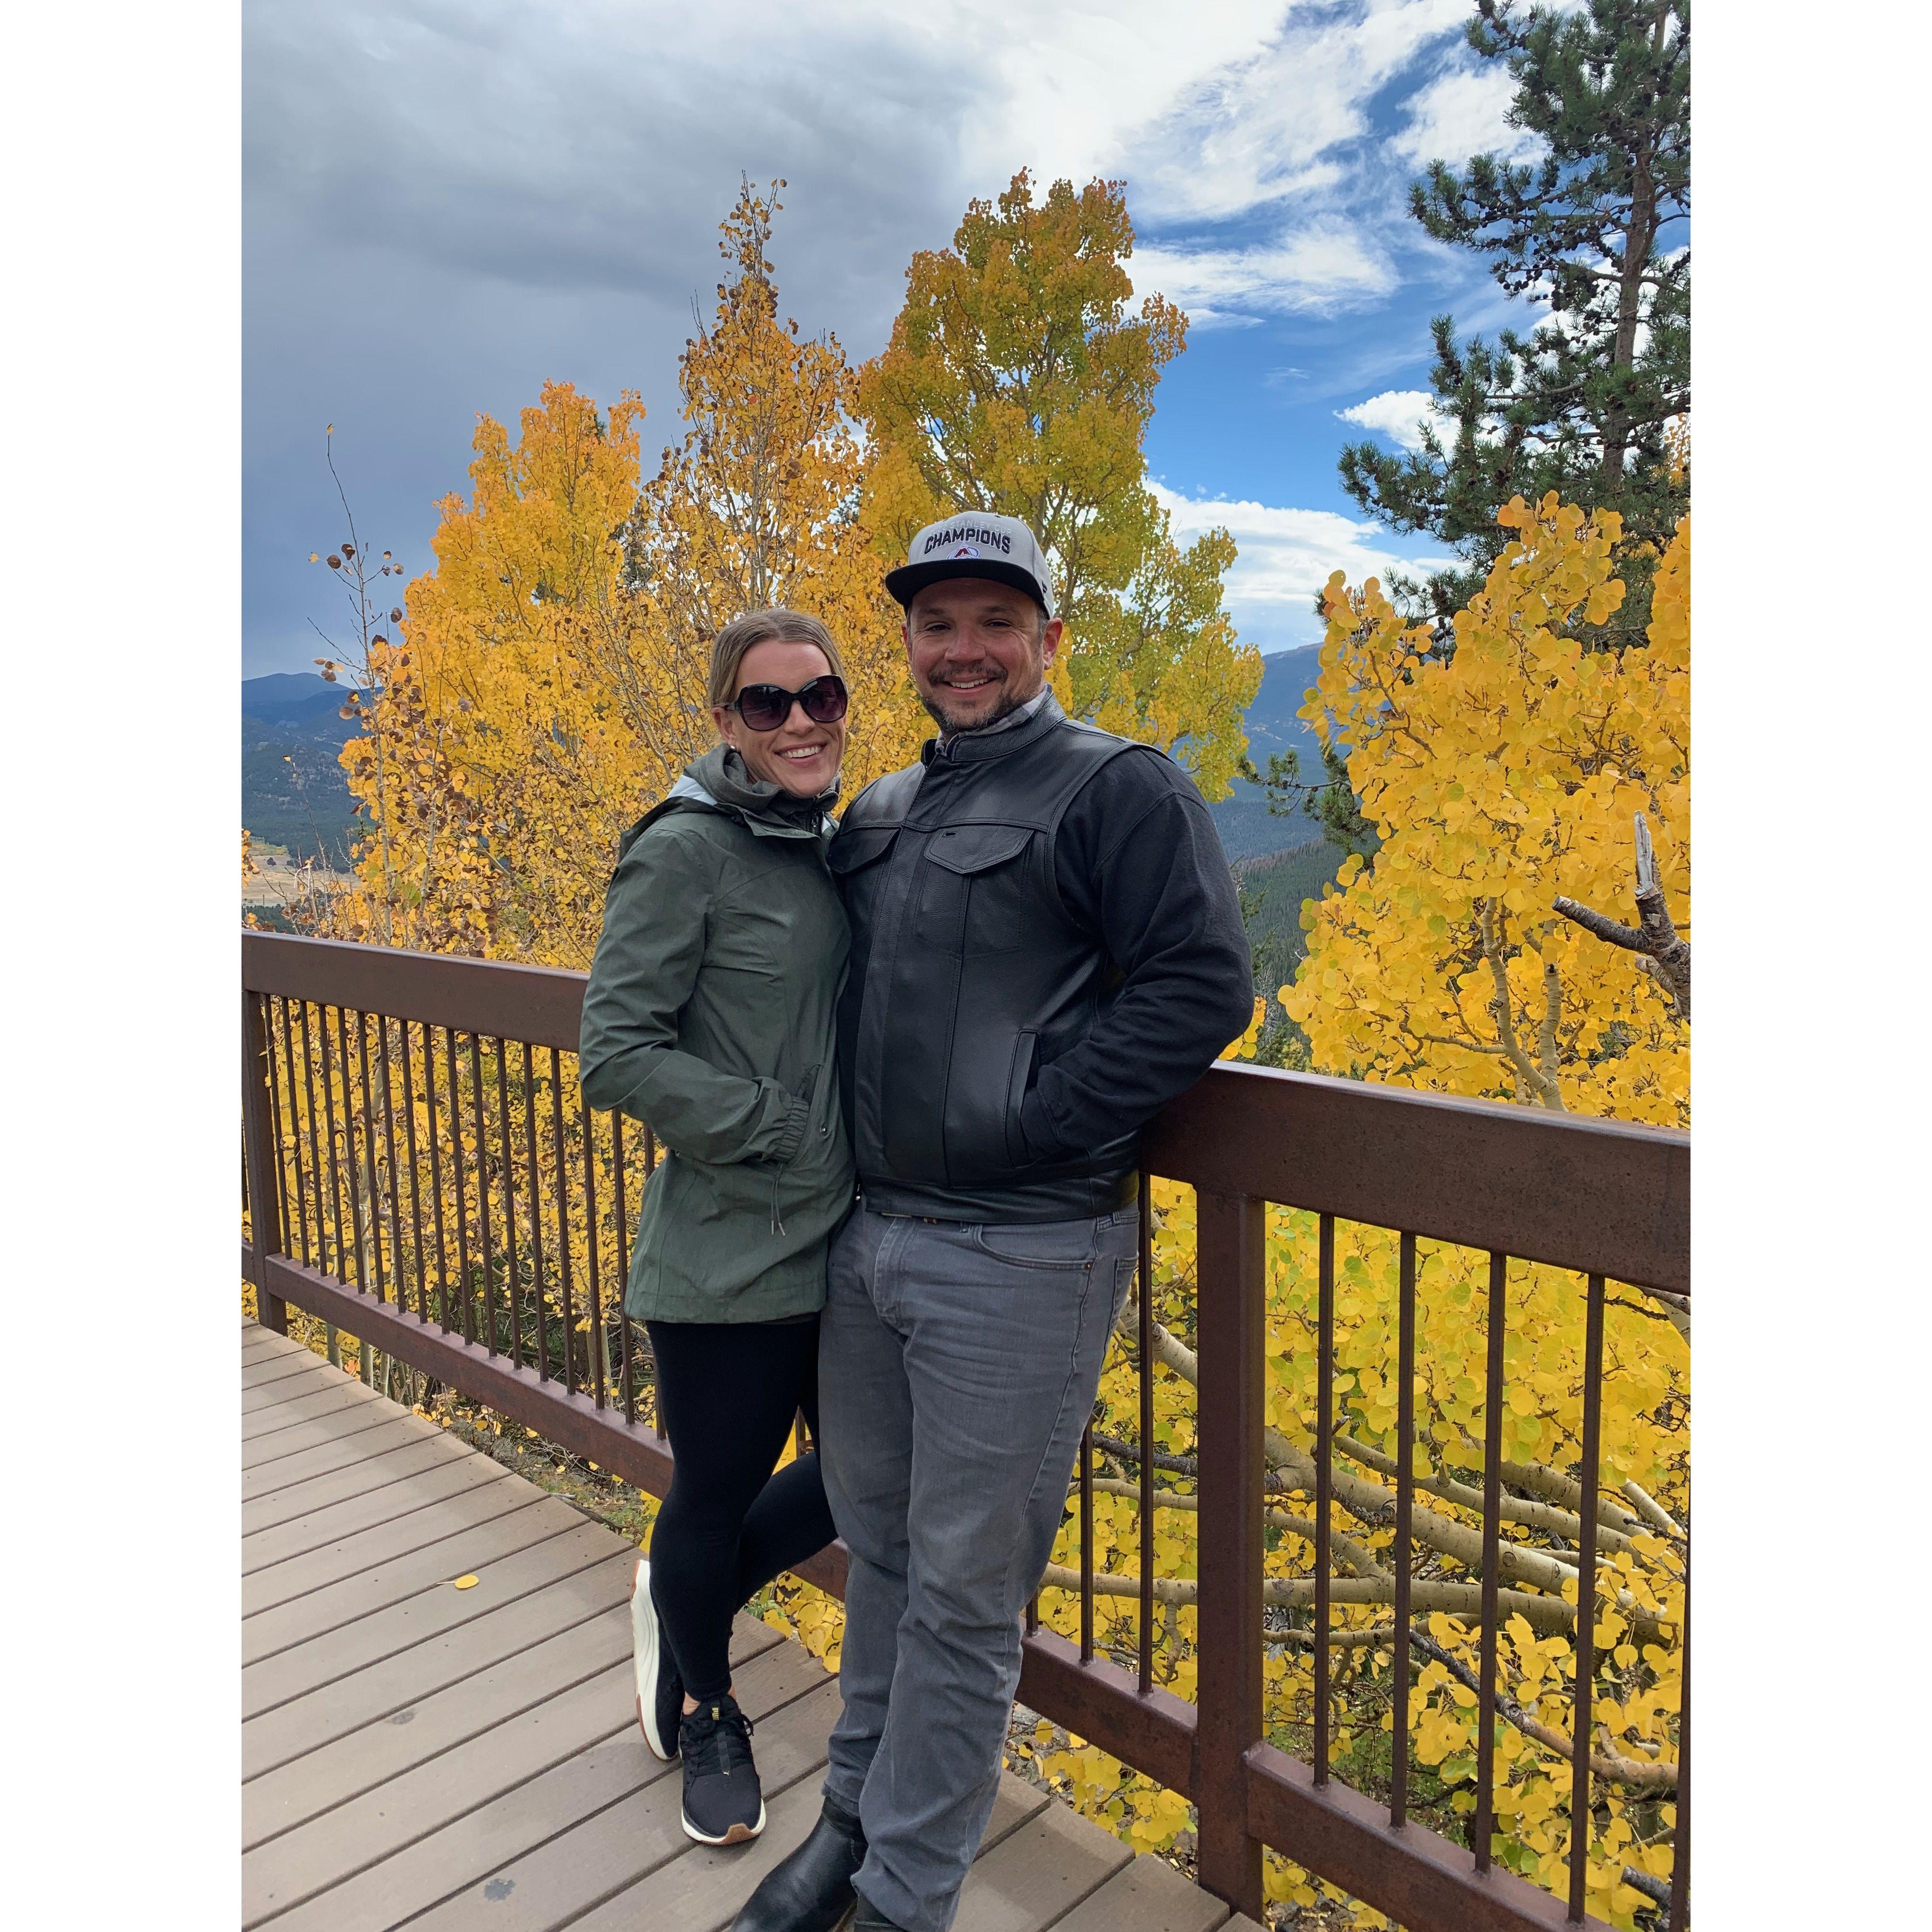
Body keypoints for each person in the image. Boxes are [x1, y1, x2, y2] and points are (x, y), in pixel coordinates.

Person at [732, 516, 1254, 1932]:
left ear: (1046, 636)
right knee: (882, 1557)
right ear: (905, 643)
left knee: (966, 1595)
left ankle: (906, 1892)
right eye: (935, 623)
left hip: (1022, 1252)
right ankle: (849, 1822)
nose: (962, 649)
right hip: (871, 1245)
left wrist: (1038, 1120)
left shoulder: (1118, 789)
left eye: (992, 621)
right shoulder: (890, 806)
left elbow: (1204, 986)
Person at [578, 608, 856, 1850]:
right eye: (767, 702)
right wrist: (776, 1129)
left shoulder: (829, 845)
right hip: (724, 1257)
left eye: (819, 696)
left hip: (844, 1246)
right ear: (725, 721)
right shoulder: (686, 852)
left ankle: (678, 1601)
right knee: (715, 1494)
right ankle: (709, 1710)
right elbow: (615, 1052)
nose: (799, 721)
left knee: (858, 1477)